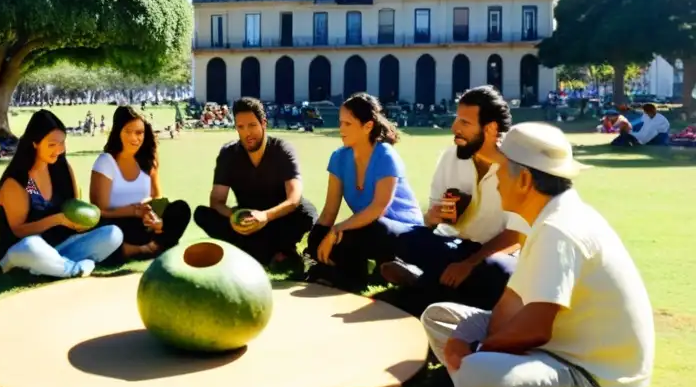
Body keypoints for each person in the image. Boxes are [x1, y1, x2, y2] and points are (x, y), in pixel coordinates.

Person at [421, 123, 654, 387]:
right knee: (440, 319)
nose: (497, 179)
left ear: (526, 180)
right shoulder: (544, 217)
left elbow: (536, 329)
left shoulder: (559, 228)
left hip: (593, 380)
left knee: (479, 370)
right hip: (551, 351)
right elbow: (510, 302)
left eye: (502, 170)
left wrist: (476, 352)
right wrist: (466, 343)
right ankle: (472, 385)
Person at [378, 86, 523, 312]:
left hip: (493, 255)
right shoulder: (451, 156)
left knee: (495, 272)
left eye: (465, 123)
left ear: (491, 128)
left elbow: (516, 235)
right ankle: (433, 283)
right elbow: (429, 221)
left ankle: (420, 284)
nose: (454, 127)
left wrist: (468, 264)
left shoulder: (517, 167)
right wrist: (433, 217)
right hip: (451, 246)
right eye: (457, 119)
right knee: (387, 231)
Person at [303, 93, 424, 290]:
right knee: (321, 238)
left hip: (402, 231)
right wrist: (317, 239)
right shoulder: (339, 157)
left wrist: (337, 229)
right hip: (365, 226)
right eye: (340, 122)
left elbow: (378, 208)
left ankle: (400, 267)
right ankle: (362, 272)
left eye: (348, 124)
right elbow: (329, 211)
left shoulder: (385, 155)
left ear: (368, 126)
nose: (340, 129)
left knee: (367, 230)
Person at [0, 109, 122, 278]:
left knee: (113, 234)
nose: (59, 150)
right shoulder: (19, 182)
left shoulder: (62, 170)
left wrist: (80, 224)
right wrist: (57, 220)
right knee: (32, 246)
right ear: (35, 143)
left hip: (60, 245)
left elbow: (74, 207)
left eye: (62, 143)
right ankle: (74, 269)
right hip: (22, 249)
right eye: (52, 145)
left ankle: (52, 267)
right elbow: (19, 231)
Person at [194, 97, 317, 269]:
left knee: (307, 213)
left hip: (278, 218)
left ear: (263, 123)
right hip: (247, 218)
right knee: (203, 214)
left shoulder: (282, 149)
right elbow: (217, 201)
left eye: (252, 125)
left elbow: (294, 199)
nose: (247, 133)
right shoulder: (229, 154)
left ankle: (260, 252)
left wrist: (265, 216)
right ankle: (274, 253)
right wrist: (235, 217)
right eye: (241, 127)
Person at [89, 105, 191, 260]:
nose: (134, 138)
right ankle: (146, 249)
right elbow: (100, 209)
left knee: (180, 208)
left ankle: (149, 245)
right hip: (117, 223)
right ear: (118, 132)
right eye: (128, 132)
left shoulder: (149, 159)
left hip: (144, 221)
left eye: (139, 133)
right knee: (107, 234)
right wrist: (134, 211)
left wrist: (151, 216)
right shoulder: (106, 161)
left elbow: (156, 195)